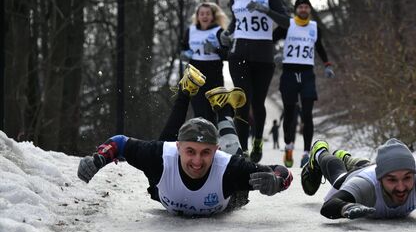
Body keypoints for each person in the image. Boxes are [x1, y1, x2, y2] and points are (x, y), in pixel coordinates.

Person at [77, 65, 293, 217]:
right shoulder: (161, 155)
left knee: (236, 154)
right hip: (168, 163)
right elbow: (120, 143)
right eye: (190, 151)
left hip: (228, 196)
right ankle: (187, 92)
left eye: (206, 153)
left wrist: (276, 182)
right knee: (162, 147)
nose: (197, 161)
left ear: (215, 151)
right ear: (178, 147)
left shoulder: (228, 167)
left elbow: (283, 172)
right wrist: (98, 159)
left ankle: (223, 108)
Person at [300, 138, 416, 220]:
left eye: (407, 178)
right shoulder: (365, 186)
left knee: (366, 164)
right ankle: (320, 152)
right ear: (380, 180)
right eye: (392, 180)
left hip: (372, 166)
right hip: (360, 174)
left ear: (414, 174)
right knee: (340, 176)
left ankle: (346, 156)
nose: (401, 187)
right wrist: (347, 207)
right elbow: (329, 206)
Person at [221, 0, 290, 163]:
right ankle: (242, 151)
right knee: (241, 101)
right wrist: (227, 33)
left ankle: (258, 141)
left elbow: (287, 22)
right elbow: (236, 21)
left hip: (263, 57)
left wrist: (266, 11)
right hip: (239, 55)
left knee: (257, 102)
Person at [273, 0, 335, 168]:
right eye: (300, 6)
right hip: (289, 73)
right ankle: (288, 146)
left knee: (307, 114)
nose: (303, 9)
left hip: (307, 73)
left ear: (310, 9)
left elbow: (319, 47)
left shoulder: (315, 28)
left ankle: (306, 153)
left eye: (306, 6)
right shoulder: (288, 25)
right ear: (296, 9)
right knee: (290, 112)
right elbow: (271, 40)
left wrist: (327, 65)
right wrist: (275, 54)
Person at [179, 1, 229, 123]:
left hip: (214, 72)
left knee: (213, 109)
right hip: (195, 73)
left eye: (208, 14)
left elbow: (227, 54)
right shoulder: (190, 31)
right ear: (197, 16)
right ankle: (201, 137)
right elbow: (183, 49)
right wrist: (185, 54)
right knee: (199, 110)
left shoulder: (219, 31)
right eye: (202, 14)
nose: (205, 16)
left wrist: (215, 49)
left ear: (213, 16)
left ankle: (213, 137)